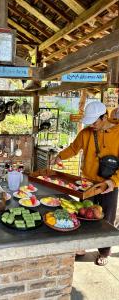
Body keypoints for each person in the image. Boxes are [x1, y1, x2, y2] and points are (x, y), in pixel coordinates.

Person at [51, 101, 119, 266]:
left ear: (104, 117)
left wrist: (114, 181)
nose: (92, 125)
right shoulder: (86, 132)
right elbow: (74, 148)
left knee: (106, 219)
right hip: (87, 183)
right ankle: (81, 246)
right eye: (89, 122)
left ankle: (104, 252)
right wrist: (60, 156)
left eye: (95, 122)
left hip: (108, 184)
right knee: (83, 214)